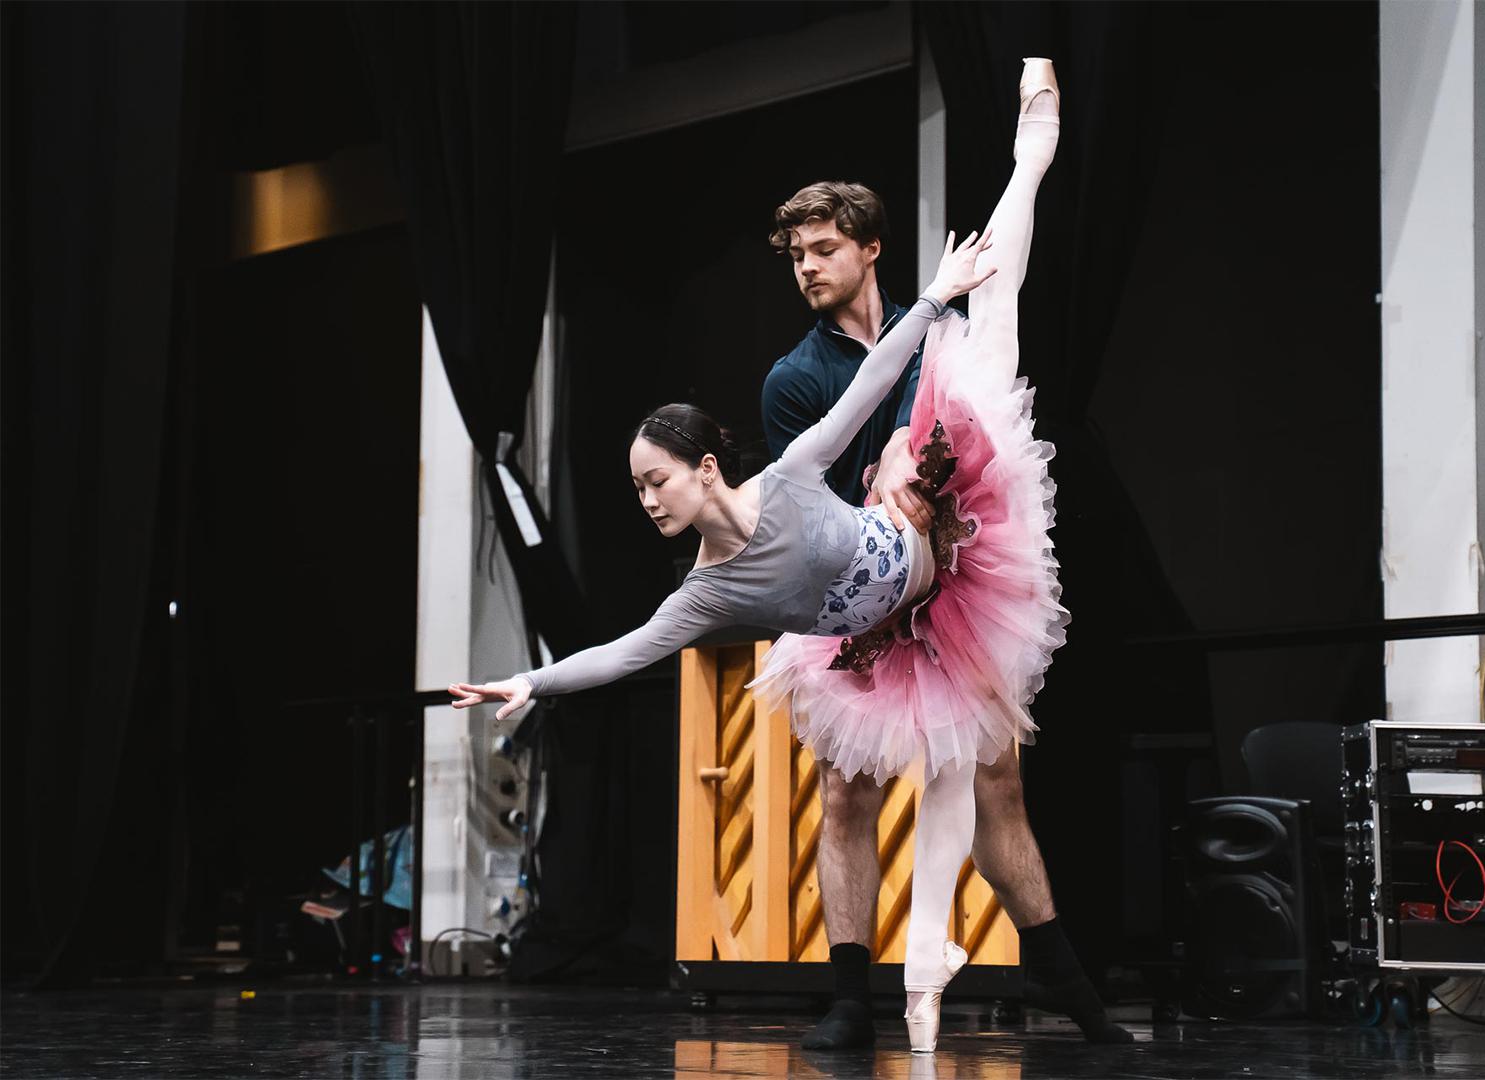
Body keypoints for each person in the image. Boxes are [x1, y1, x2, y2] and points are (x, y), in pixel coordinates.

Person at [450, 58, 1131, 1054]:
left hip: (946, 561)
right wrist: (532, 681)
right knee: (848, 789)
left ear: (869, 249)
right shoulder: (791, 384)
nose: (808, 267)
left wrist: (938, 308)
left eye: (823, 249)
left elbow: (892, 393)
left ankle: (1063, 983)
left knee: (993, 786)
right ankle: (858, 992)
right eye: (796, 255)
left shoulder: (918, 337)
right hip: (845, 584)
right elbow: (644, 640)